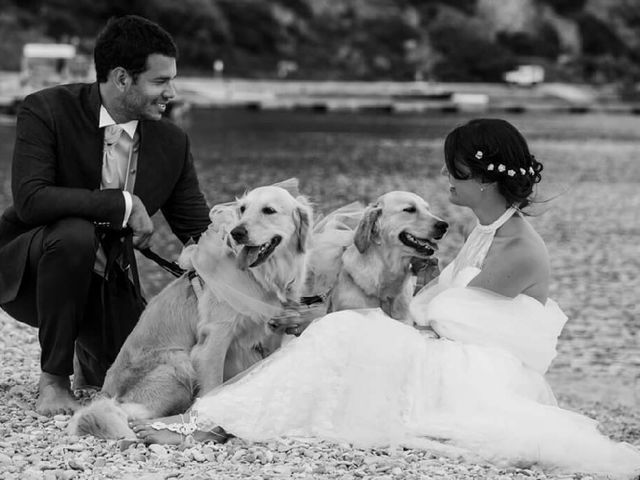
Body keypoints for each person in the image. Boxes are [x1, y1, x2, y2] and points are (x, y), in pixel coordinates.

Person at [131, 119, 640, 476]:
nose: (446, 179)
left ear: (483, 178)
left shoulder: (519, 246)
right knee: (339, 330)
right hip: (449, 342)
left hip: (476, 365)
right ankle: (224, 415)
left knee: (344, 330)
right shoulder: (489, 230)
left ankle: (221, 419)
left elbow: (455, 323)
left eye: (452, 170)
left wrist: (384, 310)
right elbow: (448, 305)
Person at [0, 15, 210, 416]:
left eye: (173, 79)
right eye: (161, 81)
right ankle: (53, 381)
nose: (173, 91)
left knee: (134, 370)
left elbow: (197, 229)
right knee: (75, 235)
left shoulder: (172, 141)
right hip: (30, 275)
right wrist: (125, 204)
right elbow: (30, 199)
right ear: (121, 79)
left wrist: (258, 255)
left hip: (109, 278)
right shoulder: (45, 110)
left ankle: (88, 356)